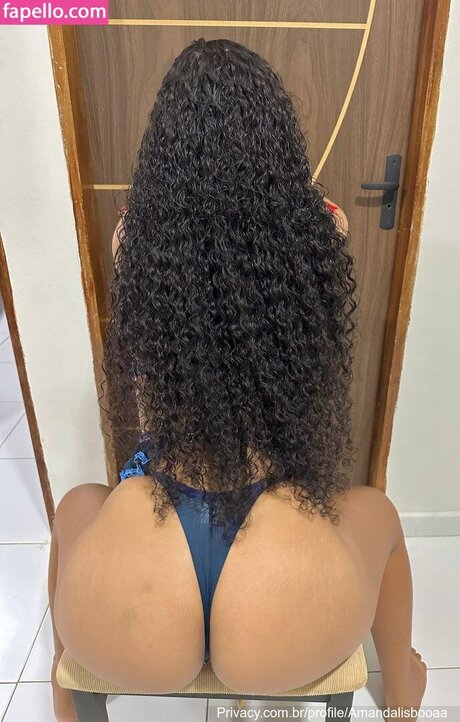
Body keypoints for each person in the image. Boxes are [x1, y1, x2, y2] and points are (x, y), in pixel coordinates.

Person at [48, 38, 426, 722]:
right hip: (276, 571)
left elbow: (140, 238)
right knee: (381, 514)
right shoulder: (322, 234)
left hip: (141, 583)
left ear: (162, 151)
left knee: (77, 504)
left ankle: (62, 697)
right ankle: (402, 690)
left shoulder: (134, 240)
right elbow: (321, 229)